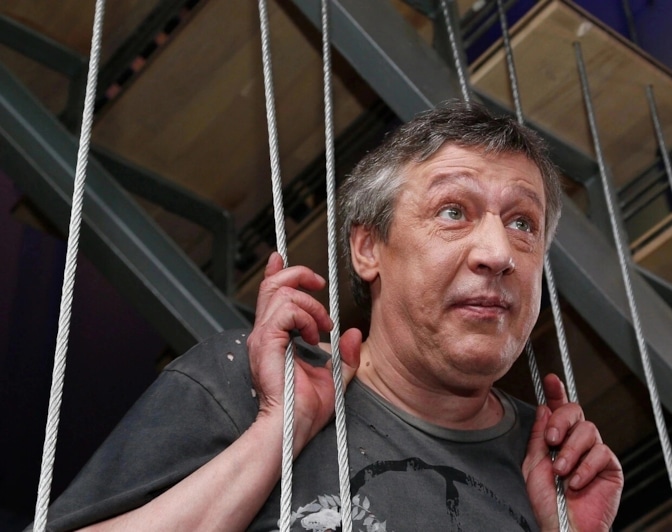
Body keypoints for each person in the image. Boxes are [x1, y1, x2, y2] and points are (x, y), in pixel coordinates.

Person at [37, 101, 623, 531]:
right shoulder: (249, 381)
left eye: (523, 223)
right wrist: (276, 432)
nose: (497, 253)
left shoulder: (552, 467)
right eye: (453, 211)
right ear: (368, 248)